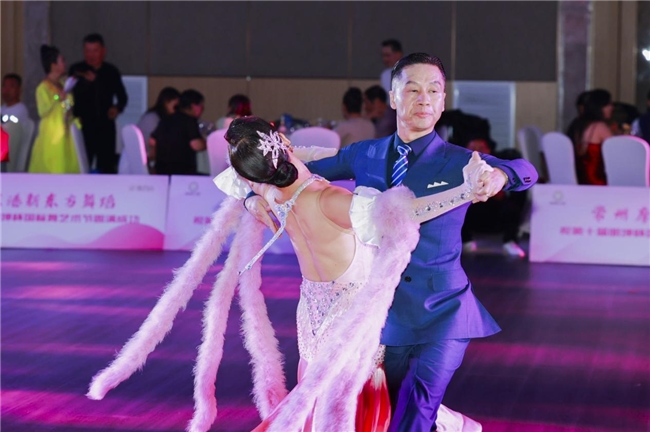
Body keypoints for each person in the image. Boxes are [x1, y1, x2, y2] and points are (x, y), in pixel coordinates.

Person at [86, 115, 493, 432]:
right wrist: (464, 193)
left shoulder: (271, 193)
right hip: (348, 316)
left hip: (311, 314)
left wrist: (252, 197)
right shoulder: (329, 199)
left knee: (319, 401)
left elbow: (234, 181)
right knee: (360, 401)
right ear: (281, 140)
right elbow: (406, 213)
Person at [247, 53, 538, 431]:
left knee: (416, 412)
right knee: (393, 415)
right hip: (385, 318)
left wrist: (500, 176)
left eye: (434, 90)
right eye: (413, 89)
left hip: (442, 311)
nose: (424, 99)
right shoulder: (365, 153)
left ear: (443, 101)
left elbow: (525, 170)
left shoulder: (460, 160)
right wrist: (252, 195)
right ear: (394, 97)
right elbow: (291, 175)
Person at [69, 33, 127, 174]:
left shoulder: (111, 71)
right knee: (82, 166)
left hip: (105, 126)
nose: (91, 55)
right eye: (87, 51)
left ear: (103, 51)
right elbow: (71, 94)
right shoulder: (77, 70)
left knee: (107, 168)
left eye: (95, 51)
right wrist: (86, 83)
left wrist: (117, 108)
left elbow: (123, 97)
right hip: (83, 126)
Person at [461, 139, 528, 258]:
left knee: (512, 207)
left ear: (488, 150)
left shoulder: (495, 167)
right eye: (473, 148)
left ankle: (510, 242)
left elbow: (500, 195)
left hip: (493, 208)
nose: (477, 152)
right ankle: (465, 241)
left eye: (481, 148)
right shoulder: (459, 166)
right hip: (469, 209)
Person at [28, 45, 80, 174]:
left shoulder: (62, 84)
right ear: (53, 66)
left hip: (65, 131)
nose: (65, 64)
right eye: (62, 60)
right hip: (52, 134)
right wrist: (58, 96)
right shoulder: (43, 87)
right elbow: (43, 110)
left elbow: (68, 105)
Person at [150, 89, 206, 175]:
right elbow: (196, 145)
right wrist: (207, 143)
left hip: (161, 172)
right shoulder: (189, 120)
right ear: (194, 106)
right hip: (182, 173)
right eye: (201, 105)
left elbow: (152, 140)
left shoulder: (165, 119)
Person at [567, 88, 613, 185]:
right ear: (599, 107)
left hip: (579, 180)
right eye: (608, 105)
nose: (611, 108)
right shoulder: (600, 127)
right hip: (597, 182)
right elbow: (616, 152)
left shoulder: (578, 125)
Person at [137, 86, 180, 160]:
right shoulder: (152, 118)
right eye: (175, 106)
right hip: (145, 156)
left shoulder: (166, 119)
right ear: (166, 102)